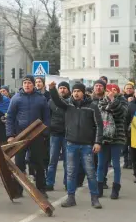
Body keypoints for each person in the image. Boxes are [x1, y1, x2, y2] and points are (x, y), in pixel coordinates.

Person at [49, 81, 103, 209]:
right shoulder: (68, 105)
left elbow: (99, 126)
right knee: (71, 173)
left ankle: (95, 198)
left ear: (83, 93)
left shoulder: (92, 106)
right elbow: (57, 101)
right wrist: (52, 89)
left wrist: (97, 142)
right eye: (74, 91)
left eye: (78, 91)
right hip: (71, 144)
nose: (76, 93)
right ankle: (71, 198)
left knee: (90, 172)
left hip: (87, 146)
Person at [6, 75, 50, 198]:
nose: (27, 85)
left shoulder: (41, 98)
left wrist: (45, 133)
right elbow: (9, 118)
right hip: (20, 136)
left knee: (38, 163)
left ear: (33, 84)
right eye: (25, 83)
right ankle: (18, 189)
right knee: (19, 163)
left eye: (29, 83)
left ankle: (41, 188)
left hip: (37, 136)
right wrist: (10, 135)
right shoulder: (16, 98)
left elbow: (46, 118)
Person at [96, 84, 127, 199]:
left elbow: (121, 114)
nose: (111, 92)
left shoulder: (122, 102)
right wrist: (110, 105)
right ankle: (99, 189)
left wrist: (113, 101)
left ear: (118, 91)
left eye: (114, 90)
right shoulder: (101, 101)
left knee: (116, 165)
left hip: (117, 137)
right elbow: (100, 114)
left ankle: (115, 189)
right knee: (101, 164)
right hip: (104, 137)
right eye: (109, 90)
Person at [46, 81, 70, 191]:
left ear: (68, 90)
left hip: (67, 135)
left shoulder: (70, 102)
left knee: (67, 161)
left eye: (65, 88)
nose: (62, 90)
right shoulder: (51, 102)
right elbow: (48, 117)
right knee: (52, 160)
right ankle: (49, 183)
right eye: (60, 88)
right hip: (54, 134)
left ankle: (67, 183)